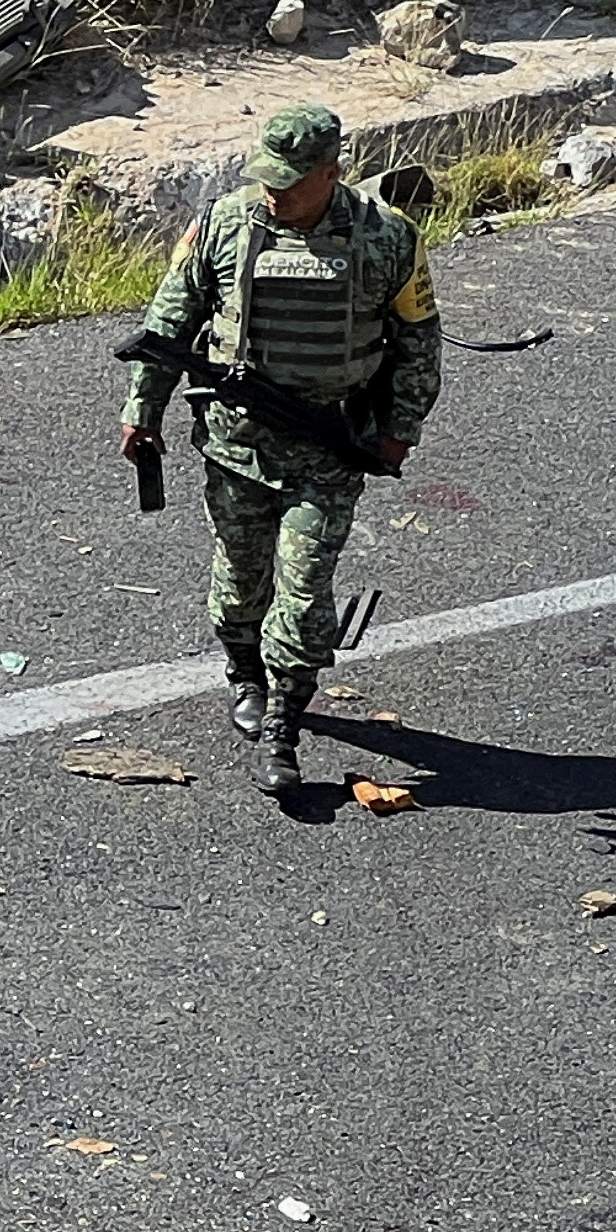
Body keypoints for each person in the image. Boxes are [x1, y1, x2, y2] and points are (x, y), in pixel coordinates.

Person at [118, 103, 443, 794]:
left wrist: (399, 429)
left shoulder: (388, 238)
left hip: (330, 449)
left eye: (292, 179)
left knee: (303, 590)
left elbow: (419, 342)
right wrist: (143, 406)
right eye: (268, 175)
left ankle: (284, 725)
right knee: (240, 578)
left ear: (332, 171)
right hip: (236, 444)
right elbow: (170, 319)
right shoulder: (222, 224)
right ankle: (244, 674)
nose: (276, 190)